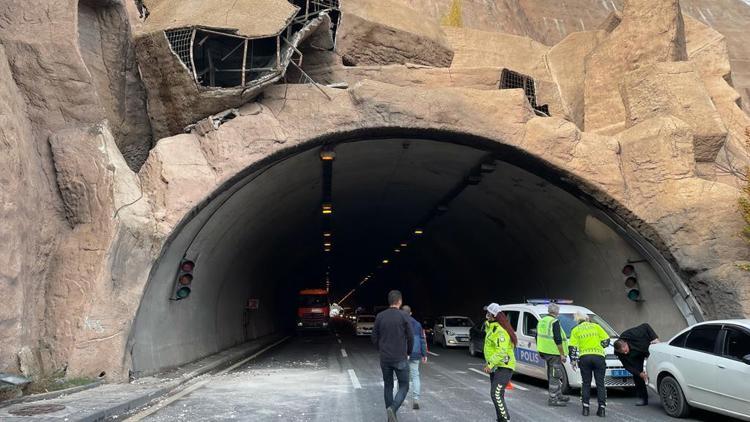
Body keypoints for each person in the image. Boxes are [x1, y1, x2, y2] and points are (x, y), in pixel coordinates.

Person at [372, 290, 414, 422]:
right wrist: (408, 352)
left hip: (385, 359)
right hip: (400, 358)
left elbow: (374, 337)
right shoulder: (404, 316)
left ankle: (390, 417)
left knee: (388, 385)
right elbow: (411, 337)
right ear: (400, 301)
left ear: (389, 301)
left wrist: (381, 348)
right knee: (404, 385)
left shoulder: (380, 316)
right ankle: (393, 408)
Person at [569, 312, 610, 417]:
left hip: (584, 357)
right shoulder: (596, 326)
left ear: (577, 321)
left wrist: (573, 360)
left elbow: (572, 347)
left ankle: (585, 409)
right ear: (587, 318)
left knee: (586, 383)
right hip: (599, 357)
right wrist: (598, 346)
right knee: (600, 383)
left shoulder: (575, 330)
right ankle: (602, 410)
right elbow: (606, 341)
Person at [483, 303, 517, 422]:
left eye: (488, 313)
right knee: (498, 395)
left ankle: (505, 419)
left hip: (504, 366)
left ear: (493, 315)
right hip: (497, 367)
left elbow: (502, 350)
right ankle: (500, 419)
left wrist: (490, 364)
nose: (486, 315)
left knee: (495, 394)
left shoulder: (500, 331)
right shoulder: (491, 327)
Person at [613, 323, 659, 406]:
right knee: (637, 375)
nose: (625, 352)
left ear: (626, 343)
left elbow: (646, 326)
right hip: (635, 357)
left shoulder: (631, 334)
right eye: (623, 352)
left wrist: (654, 338)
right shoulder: (619, 353)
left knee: (659, 367)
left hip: (646, 348)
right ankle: (643, 398)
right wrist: (639, 373)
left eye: (625, 349)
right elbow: (627, 366)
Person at [536, 302, 570, 406]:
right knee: (555, 375)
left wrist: (540, 350)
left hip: (544, 351)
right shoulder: (554, 322)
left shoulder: (541, 321)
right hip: (553, 352)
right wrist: (562, 354)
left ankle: (558, 395)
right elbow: (558, 339)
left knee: (552, 373)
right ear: (556, 312)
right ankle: (553, 399)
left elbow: (537, 336)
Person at [401, 305, 428, 410]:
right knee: (415, 376)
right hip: (415, 353)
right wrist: (424, 354)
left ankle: (401, 399)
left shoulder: (399, 323)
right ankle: (416, 399)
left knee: (402, 377)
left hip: (402, 354)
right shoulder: (418, 324)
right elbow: (422, 340)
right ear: (410, 313)